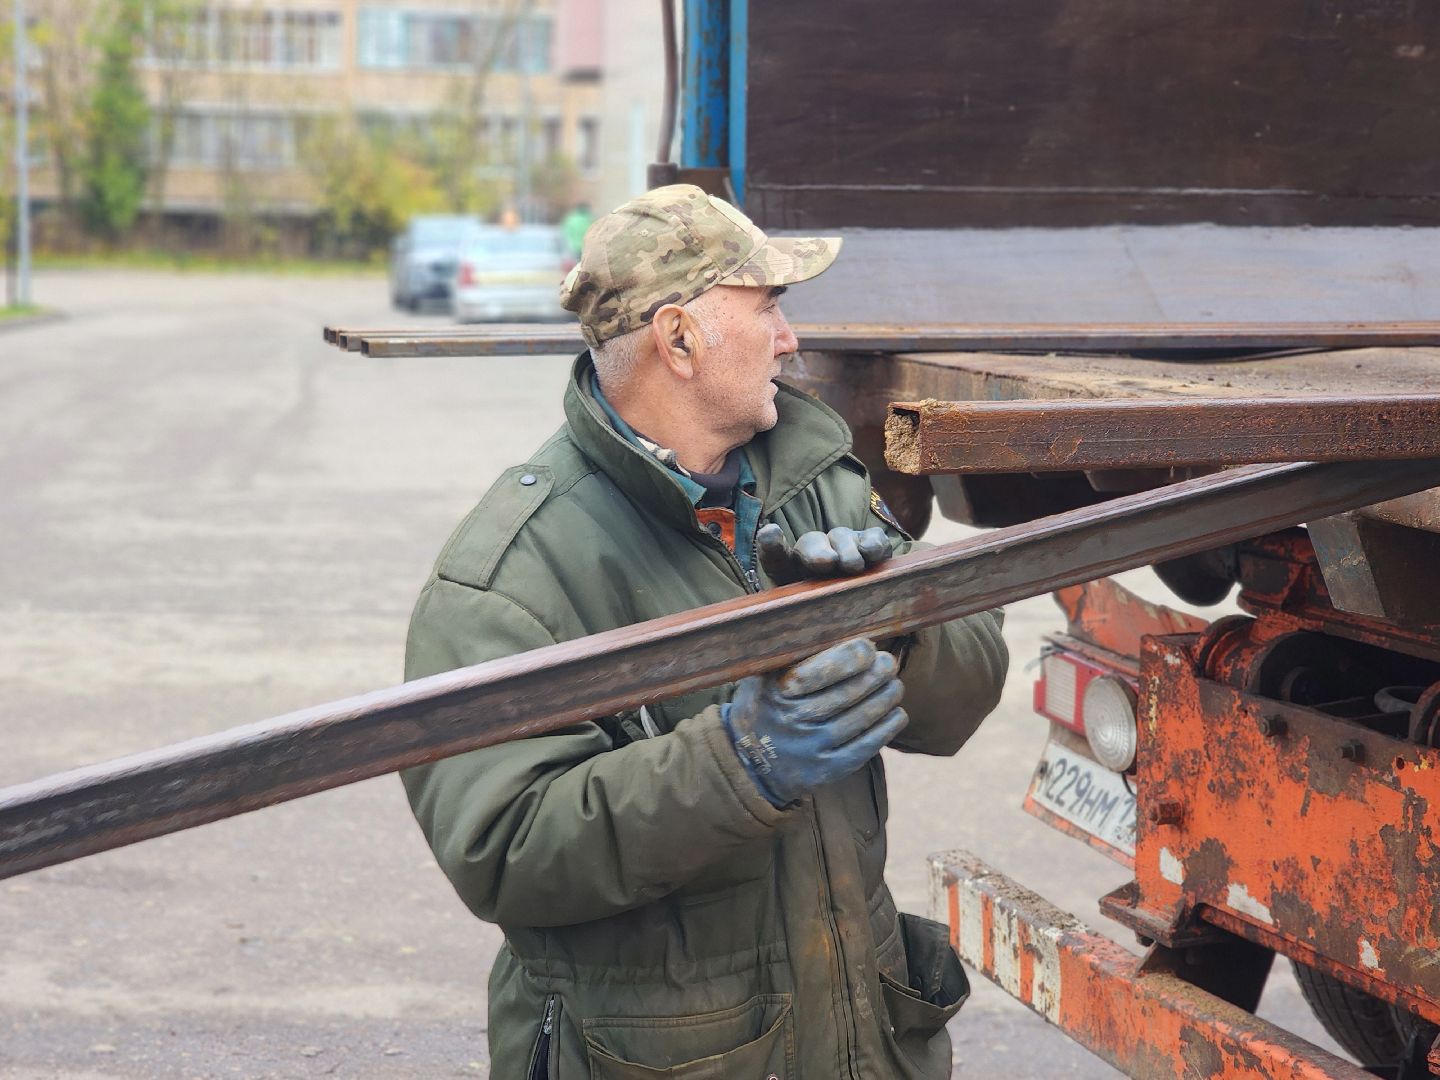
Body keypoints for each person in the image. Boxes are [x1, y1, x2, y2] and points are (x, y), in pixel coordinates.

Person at [401, 184, 1009, 1079]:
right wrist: (740, 761)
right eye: (767, 307)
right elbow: (504, 847)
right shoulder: (512, 574)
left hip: (858, 1042)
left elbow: (971, 687)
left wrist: (894, 631)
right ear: (679, 339)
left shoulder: (818, 477)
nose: (792, 338)